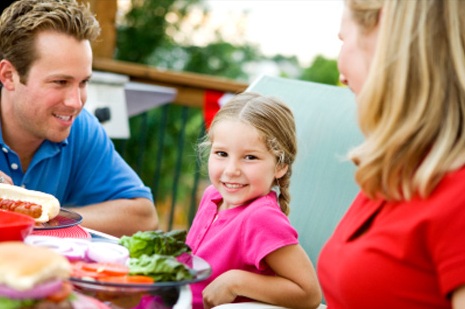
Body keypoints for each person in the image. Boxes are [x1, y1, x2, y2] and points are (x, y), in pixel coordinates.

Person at [318, 0, 465, 308]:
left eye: (343, 40)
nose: (341, 74)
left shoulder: (456, 194)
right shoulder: (397, 172)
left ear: (387, 35)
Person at [0, 0, 158, 237]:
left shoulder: (80, 127)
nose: (76, 102)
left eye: (83, 82)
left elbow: (144, 215)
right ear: (9, 76)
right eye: (60, 82)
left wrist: (46, 216)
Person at [186, 92, 322, 309]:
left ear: (280, 166)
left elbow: (309, 294)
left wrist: (235, 282)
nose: (231, 171)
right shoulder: (213, 195)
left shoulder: (260, 218)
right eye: (221, 153)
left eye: (250, 157)